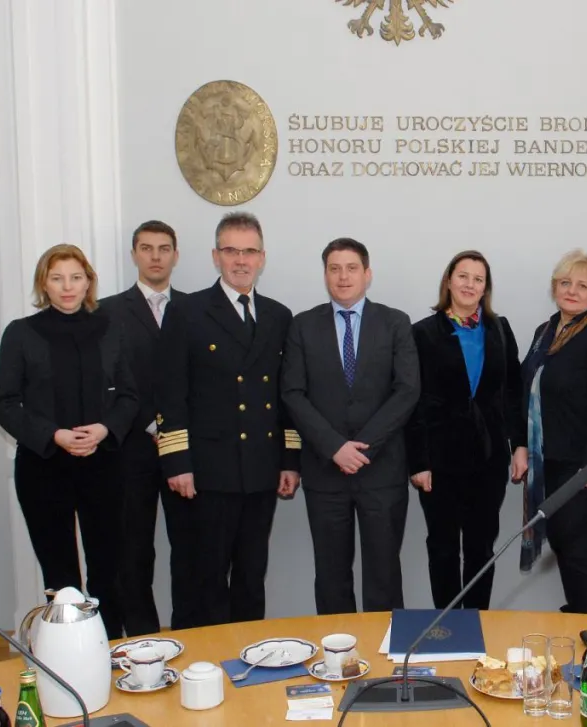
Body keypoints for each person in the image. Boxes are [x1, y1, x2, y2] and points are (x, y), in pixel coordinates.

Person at [156, 212, 300, 626]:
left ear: (262, 258)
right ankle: (208, 659)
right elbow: (170, 391)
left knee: (252, 577)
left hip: (260, 470)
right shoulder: (187, 311)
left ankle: (250, 654)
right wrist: (177, 462)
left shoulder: (278, 315)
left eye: (249, 251)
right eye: (231, 251)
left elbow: (286, 396)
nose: (241, 260)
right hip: (207, 472)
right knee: (206, 578)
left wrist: (290, 460)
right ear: (215, 256)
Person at [0, 244, 139, 639]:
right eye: (57, 278)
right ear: (44, 284)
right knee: (60, 577)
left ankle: (109, 649)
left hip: (103, 464)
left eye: (75, 277)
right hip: (43, 468)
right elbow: (4, 404)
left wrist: (105, 429)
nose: (67, 286)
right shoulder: (21, 333)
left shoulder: (111, 329)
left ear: (89, 281)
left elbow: (130, 396)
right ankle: (67, 656)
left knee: (109, 570)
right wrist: (54, 435)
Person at [280, 238, 420, 614]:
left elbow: (407, 391)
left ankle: (384, 651)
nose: (343, 277)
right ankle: (337, 649)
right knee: (331, 576)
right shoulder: (302, 325)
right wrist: (334, 448)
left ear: (367, 274)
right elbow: (292, 393)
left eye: (352, 268)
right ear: (325, 274)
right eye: (334, 269)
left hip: (382, 471)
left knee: (383, 575)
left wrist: (362, 447)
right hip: (325, 472)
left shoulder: (395, 322)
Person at [406, 251, 527, 610]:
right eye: (463, 276)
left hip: (489, 460)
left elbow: (513, 391)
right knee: (442, 547)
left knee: (481, 547)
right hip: (439, 461)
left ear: (485, 288)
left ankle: (475, 621)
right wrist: (418, 462)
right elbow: (413, 401)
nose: (469, 284)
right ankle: (446, 625)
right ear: (448, 281)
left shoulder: (499, 329)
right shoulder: (422, 333)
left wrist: (519, 445)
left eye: (478, 279)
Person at [98, 220, 197, 636]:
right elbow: (105, 381)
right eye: (146, 248)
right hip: (130, 448)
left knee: (190, 549)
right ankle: (142, 639)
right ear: (134, 254)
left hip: (185, 450)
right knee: (133, 550)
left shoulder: (195, 309)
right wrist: (148, 422)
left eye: (164, 248)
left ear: (176, 255)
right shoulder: (106, 311)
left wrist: (171, 427)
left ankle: (190, 634)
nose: (155, 257)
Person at [520, 249, 587, 615]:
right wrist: (520, 446)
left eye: (582, 285)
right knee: (562, 540)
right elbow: (527, 391)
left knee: (573, 541)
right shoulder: (544, 332)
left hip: (582, 463)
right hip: (547, 458)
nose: (572, 291)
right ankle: (578, 611)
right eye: (565, 283)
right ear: (555, 287)